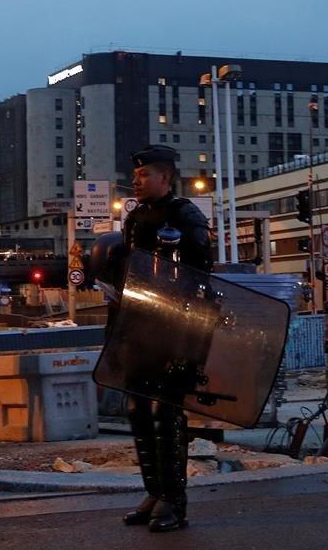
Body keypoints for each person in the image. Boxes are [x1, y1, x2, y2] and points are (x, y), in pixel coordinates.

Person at [116, 145, 212, 533]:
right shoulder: (136, 217)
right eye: (135, 175)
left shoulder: (185, 215)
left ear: (165, 178)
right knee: (138, 410)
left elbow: (200, 273)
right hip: (140, 326)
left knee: (165, 412)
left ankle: (175, 501)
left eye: (143, 175)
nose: (136, 181)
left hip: (176, 328)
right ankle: (154, 491)